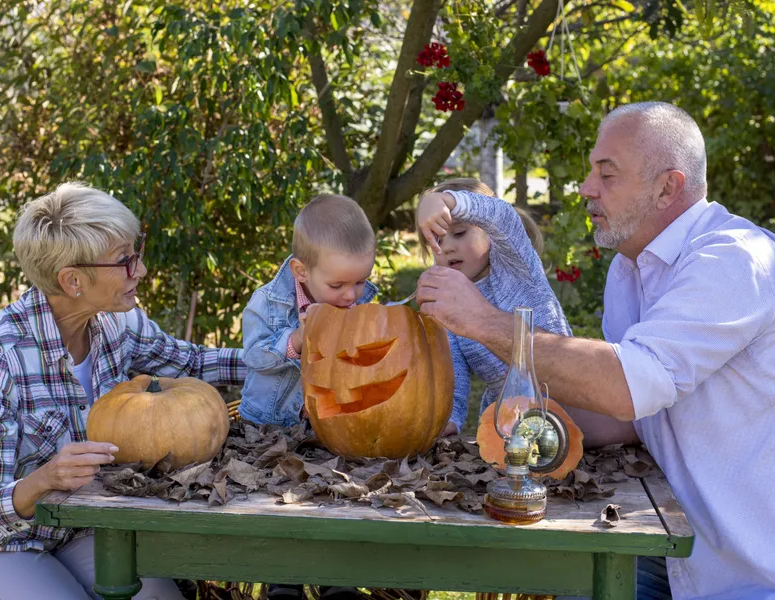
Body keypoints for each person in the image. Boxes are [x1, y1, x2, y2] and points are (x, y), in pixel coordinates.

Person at [416, 101, 775, 599]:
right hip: (669, 551)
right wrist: (517, 431)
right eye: (591, 171)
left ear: (667, 186)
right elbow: (627, 420)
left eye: (607, 176)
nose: (586, 188)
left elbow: (632, 385)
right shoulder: (628, 273)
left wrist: (483, 322)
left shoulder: (734, 261)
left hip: (746, 576)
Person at [0, 182, 248, 599]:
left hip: (83, 529)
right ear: (72, 281)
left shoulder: (116, 324)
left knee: (159, 597)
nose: (139, 270)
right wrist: (42, 481)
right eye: (125, 261)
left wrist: (290, 357)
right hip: (3, 544)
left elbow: (192, 363)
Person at [239, 194, 377, 600]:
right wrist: (297, 340)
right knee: (282, 507)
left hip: (332, 429)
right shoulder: (269, 302)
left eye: (360, 281)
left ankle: (338, 580)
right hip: (272, 430)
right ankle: (284, 581)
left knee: (338, 499)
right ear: (301, 270)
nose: (352, 294)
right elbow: (253, 355)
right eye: (338, 285)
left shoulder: (358, 300)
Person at [415, 178, 570, 436]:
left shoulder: (515, 265)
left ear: (488, 231)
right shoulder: (447, 301)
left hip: (567, 396)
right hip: (509, 421)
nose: (448, 246)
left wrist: (444, 202)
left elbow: (502, 216)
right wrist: (448, 421)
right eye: (437, 241)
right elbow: (452, 374)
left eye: (460, 233)